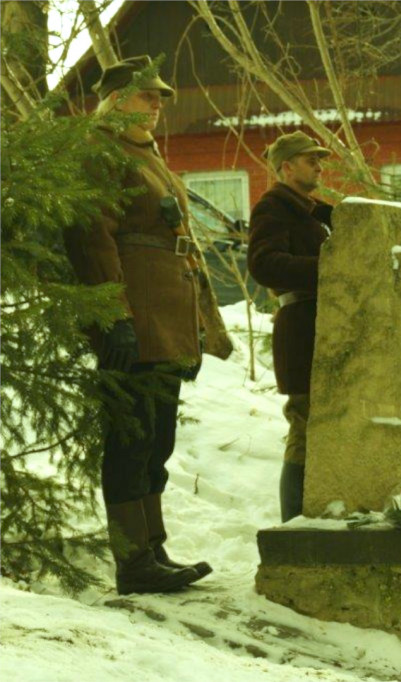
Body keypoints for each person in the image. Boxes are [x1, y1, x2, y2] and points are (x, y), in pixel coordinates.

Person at [65, 56, 213, 594]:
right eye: (147, 96)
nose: (156, 107)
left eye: (159, 99)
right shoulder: (101, 152)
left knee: (157, 441)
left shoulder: (147, 157)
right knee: (131, 442)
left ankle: (153, 550)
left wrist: (192, 331)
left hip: (165, 323)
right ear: (116, 98)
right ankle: (133, 563)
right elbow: (92, 239)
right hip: (136, 320)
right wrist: (115, 319)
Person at [247, 131, 333, 522]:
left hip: (323, 326)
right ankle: (294, 523)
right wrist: (329, 270)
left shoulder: (311, 209)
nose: (318, 165)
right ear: (286, 167)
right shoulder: (274, 207)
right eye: (309, 159)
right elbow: (263, 264)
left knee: (321, 426)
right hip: (300, 329)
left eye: (319, 159)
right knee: (304, 426)